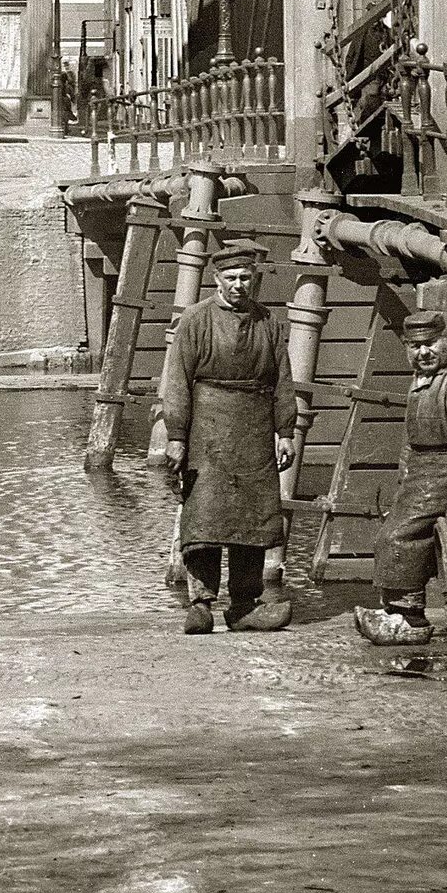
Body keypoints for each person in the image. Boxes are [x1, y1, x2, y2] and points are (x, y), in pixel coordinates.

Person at [155, 236, 303, 635]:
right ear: (216, 279)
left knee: (252, 524)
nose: (240, 285)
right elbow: (178, 382)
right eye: (232, 277)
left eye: (246, 278)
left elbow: (282, 380)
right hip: (207, 430)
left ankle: (244, 607)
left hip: (254, 433)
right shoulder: (196, 320)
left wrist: (285, 431)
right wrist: (177, 435)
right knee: (204, 520)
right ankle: (200, 604)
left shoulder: (268, 322)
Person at [353, 290, 447, 648]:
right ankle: (396, 609)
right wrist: (404, 479)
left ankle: (411, 620)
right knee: (393, 529)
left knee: (398, 536)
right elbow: (411, 438)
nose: (423, 353)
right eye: (415, 347)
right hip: (424, 473)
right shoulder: (421, 379)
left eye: (431, 344)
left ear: (446, 341)